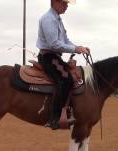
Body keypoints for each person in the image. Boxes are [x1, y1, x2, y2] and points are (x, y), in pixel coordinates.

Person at [36, 0, 89, 130]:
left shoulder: (57, 19)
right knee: (66, 80)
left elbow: (65, 40)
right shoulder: (48, 19)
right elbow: (54, 44)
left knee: (69, 77)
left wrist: (78, 47)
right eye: (64, 3)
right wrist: (75, 49)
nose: (66, 6)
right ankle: (54, 118)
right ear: (55, 2)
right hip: (48, 57)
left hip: (54, 57)